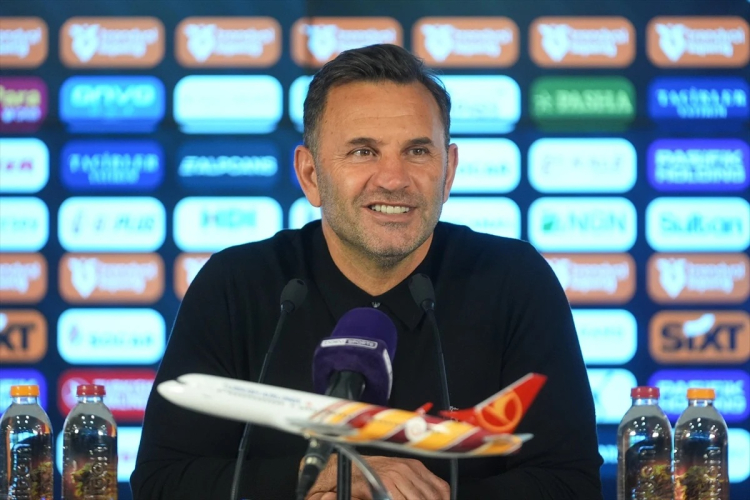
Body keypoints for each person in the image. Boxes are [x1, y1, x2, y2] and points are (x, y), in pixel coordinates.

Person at [131, 44, 603, 500]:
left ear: (448, 172)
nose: (394, 178)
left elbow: (571, 483)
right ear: (311, 175)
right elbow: (163, 481)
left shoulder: (515, 280)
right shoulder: (236, 284)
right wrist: (322, 478)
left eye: (417, 151)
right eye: (363, 152)